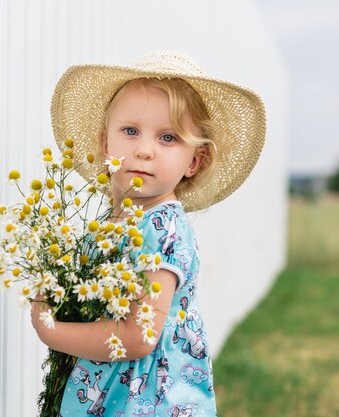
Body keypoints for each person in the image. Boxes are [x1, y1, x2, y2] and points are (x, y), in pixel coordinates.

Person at [30, 51, 266, 416]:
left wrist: (52, 331)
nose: (143, 150)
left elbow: (138, 336)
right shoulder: (113, 225)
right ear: (105, 144)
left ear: (193, 161)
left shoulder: (162, 229)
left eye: (168, 137)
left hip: (149, 404)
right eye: (130, 131)